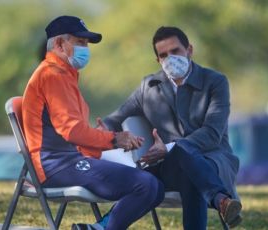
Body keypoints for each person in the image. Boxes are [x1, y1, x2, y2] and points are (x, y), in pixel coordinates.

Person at [22, 16, 164, 230]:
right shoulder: (53, 75)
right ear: (60, 44)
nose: (85, 48)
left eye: (86, 44)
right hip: (55, 167)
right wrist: (114, 139)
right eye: (80, 42)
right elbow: (72, 131)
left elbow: (74, 134)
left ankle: (97, 229)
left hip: (68, 161)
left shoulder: (65, 75)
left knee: (155, 187)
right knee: (146, 185)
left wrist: (98, 138)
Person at [103, 26, 242, 229]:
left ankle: (103, 225)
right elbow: (115, 118)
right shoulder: (149, 86)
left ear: (189, 50)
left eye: (175, 51)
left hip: (215, 161)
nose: (170, 58)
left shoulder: (215, 82)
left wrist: (171, 147)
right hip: (169, 167)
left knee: (188, 168)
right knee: (182, 162)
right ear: (158, 60)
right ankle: (221, 200)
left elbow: (212, 133)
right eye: (163, 55)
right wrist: (100, 131)